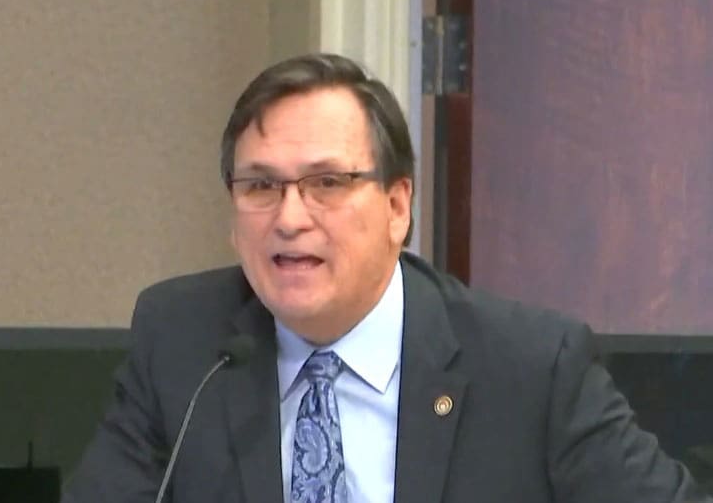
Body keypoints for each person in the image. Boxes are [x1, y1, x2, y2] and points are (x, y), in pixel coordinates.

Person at [62, 53, 711, 503]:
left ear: (397, 206)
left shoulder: (531, 367)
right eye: (260, 186)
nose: (289, 218)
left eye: (326, 182)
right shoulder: (184, 342)